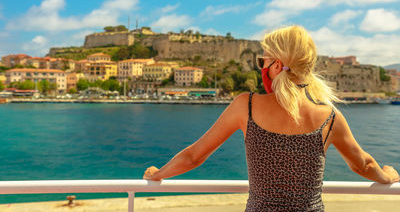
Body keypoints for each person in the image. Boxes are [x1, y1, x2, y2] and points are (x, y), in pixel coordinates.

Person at [143, 25, 399, 211]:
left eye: (261, 61)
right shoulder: (329, 116)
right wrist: (387, 176)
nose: (261, 67)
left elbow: (194, 156)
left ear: (276, 66)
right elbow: (362, 164)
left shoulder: (247, 105)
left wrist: (159, 173)